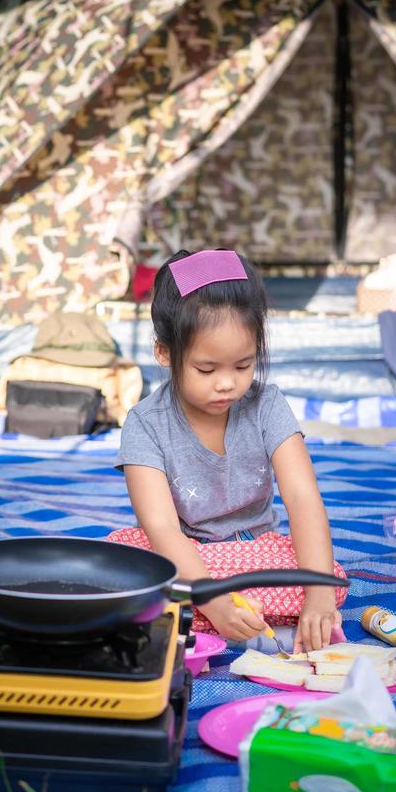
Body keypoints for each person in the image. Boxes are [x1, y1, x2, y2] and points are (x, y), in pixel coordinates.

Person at [107, 249, 347, 652]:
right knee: (120, 559)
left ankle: (202, 623)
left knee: (329, 576)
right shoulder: (145, 424)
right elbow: (163, 529)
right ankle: (231, 618)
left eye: (242, 366)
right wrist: (214, 600)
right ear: (164, 353)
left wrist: (319, 594)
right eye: (207, 369)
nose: (227, 384)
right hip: (185, 558)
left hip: (255, 555)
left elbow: (303, 498)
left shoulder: (267, 406)